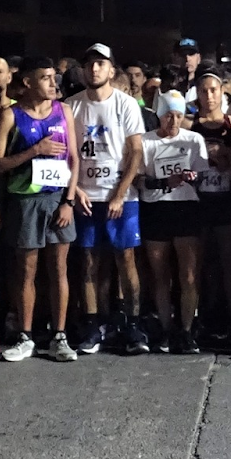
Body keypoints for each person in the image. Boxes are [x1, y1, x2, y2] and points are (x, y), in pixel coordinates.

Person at [0, 57, 79, 363]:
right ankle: (25, 336)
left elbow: (74, 160)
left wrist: (68, 201)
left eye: (55, 77)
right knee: (26, 271)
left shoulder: (63, 110)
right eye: (46, 78)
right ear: (28, 82)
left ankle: (59, 337)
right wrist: (34, 151)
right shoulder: (9, 116)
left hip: (58, 200)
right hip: (25, 201)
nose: (54, 84)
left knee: (59, 270)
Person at [68, 43, 149, 356]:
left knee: (125, 258)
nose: (94, 69)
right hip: (86, 194)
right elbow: (66, 153)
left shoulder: (126, 104)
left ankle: (132, 323)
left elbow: (136, 151)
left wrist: (120, 193)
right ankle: (92, 324)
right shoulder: (71, 105)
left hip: (121, 197)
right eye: (89, 63)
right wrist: (74, 190)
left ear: (112, 70)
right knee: (88, 259)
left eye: (101, 64)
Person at [138, 91, 210, 352]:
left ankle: (187, 329)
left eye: (179, 116)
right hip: (155, 207)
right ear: (159, 115)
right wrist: (162, 182)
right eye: (169, 115)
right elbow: (137, 179)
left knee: (188, 274)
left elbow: (204, 177)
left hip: (186, 208)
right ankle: (166, 329)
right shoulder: (145, 141)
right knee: (160, 274)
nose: (174, 121)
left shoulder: (193, 139)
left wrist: (192, 177)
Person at [188, 67, 231, 344]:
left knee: (229, 260)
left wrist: (225, 157)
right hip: (198, 202)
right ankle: (200, 315)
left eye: (214, 90)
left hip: (225, 200)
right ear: (197, 94)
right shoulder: (191, 125)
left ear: (222, 92)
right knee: (199, 263)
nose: (209, 96)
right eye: (203, 91)